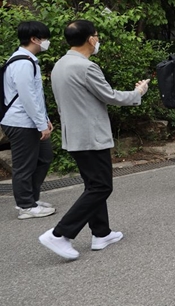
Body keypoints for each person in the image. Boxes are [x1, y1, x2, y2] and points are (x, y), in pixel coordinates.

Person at [39, 20, 150, 260]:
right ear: (90, 39)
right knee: (102, 186)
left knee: (93, 185)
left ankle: (102, 233)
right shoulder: (86, 67)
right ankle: (60, 234)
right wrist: (138, 92)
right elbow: (109, 96)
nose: (98, 40)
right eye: (97, 36)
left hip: (74, 136)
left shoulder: (59, 65)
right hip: (91, 136)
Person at [1, 21, 55, 220]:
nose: (47, 42)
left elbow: (35, 96)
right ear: (34, 39)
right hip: (20, 122)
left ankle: (32, 198)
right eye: (45, 38)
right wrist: (41, 124)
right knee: (25, 165)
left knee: (44, 157)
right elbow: (27, 97)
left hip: (29, 121)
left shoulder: (28, 60)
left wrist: (45, 120)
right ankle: (25, 205)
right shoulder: (23, 63)